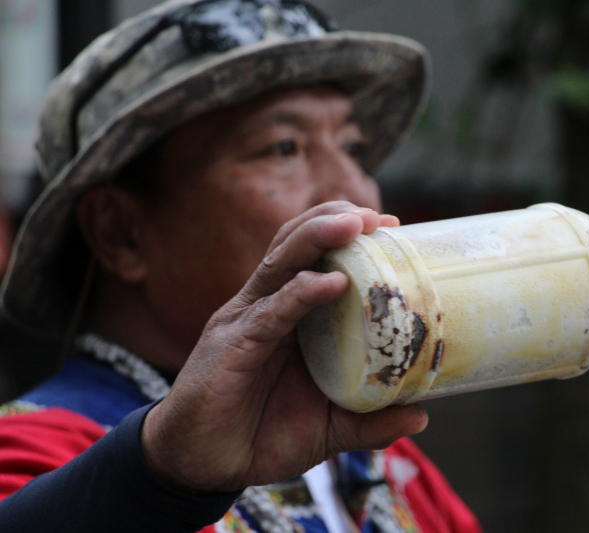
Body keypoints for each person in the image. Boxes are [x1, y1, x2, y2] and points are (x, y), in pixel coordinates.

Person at [0, 1, 481, 532]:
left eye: (353, 147)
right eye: (283, 147)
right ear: (121, 232)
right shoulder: (32, 454)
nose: (354, 192)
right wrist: (163, 476)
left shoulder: (380, 460)